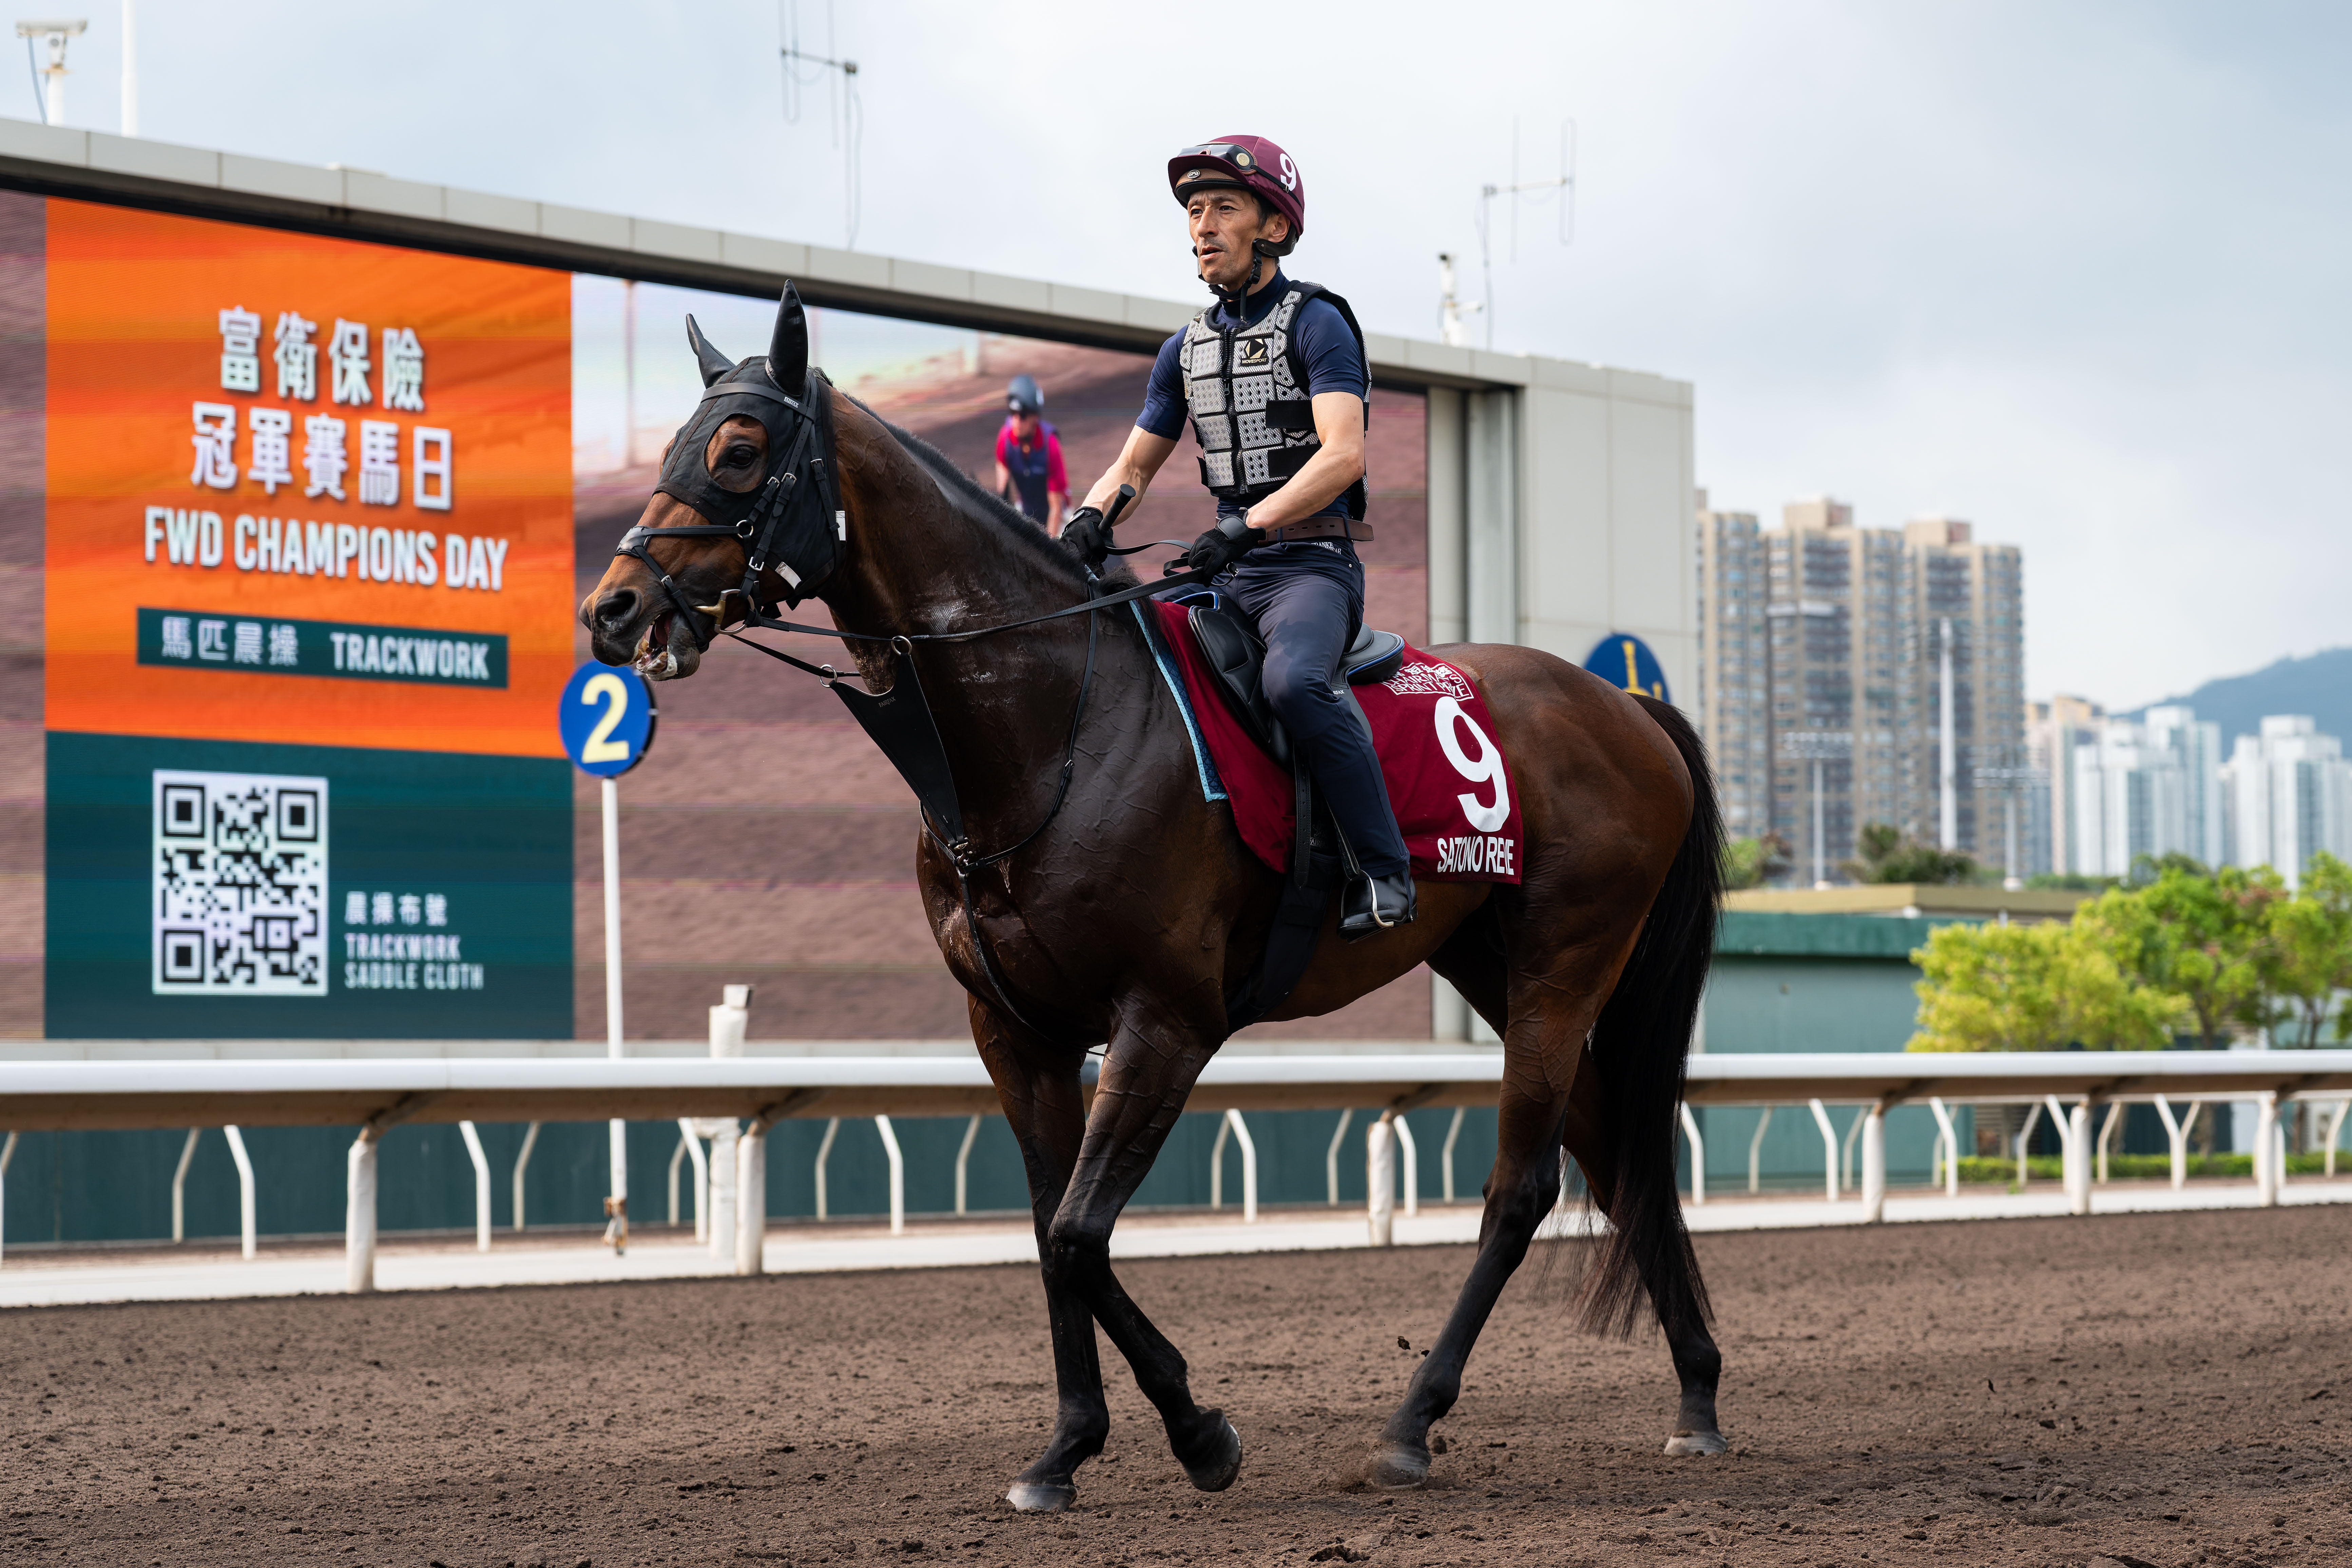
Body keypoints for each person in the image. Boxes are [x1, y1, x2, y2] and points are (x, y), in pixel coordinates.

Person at [1063, 136, 1413, 937]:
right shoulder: (1180, 350)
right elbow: (1132, 467)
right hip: (1225, 567)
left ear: (1274, 229)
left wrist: (1248, 523)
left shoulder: (1317, 322)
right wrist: (1088, 519)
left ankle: (1382, 868)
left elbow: (1344, 453)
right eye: (1194, 212)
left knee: (1294, 684)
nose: (1203, 226)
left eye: (1223, 208)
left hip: (1308, 566)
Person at [992, 374, 1068, 532]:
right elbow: (1003, 491)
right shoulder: (1004, 439)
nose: (1016, 421)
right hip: (1027, 511)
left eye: (1023, 415)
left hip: (1057, 515)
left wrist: (1049, 551)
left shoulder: (1051, 445)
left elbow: (1056, 508)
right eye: (1012, 413)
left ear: (1035, 417)